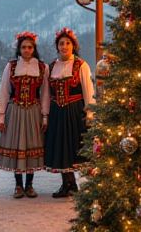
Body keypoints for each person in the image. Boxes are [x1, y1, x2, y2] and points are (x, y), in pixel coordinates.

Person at [0, 31, 50, 198]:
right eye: (23, 47)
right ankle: (18, 185)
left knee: (31, 146)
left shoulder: (42, 67)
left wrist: (45, 115)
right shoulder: (11, 66)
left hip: (34, 111)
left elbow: (45, 94)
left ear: (34, 48)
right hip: (15, 110)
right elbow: (4, 92)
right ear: (19, 49)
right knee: (18, 146)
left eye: (30, 47)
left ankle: (30, 184)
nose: (27, 50)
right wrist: (1, 116)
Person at [44, 27, 96, 198]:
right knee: (60, 147)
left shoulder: (81, 65)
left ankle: (79, 185)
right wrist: (45, 114)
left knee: (75, 147)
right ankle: (67, 184)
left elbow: (89, 90)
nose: (64, 46)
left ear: (73, 45)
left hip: (75, 111)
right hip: (57, 112)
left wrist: (90, 113)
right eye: (61, 43)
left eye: (67, 43)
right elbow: (46, 93)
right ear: (57, 46)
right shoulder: (51, 67)